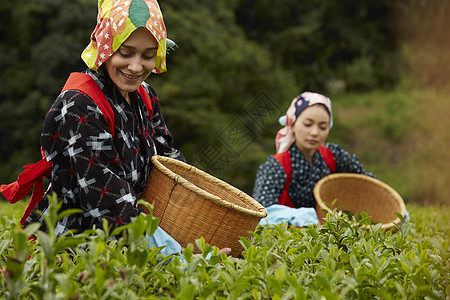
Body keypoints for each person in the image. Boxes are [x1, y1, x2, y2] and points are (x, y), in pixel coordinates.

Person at [1, 0, 230, 256]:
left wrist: (197, 218)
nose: (135, 67)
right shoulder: (79, 106)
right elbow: (106, 198)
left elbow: (170, 165)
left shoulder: (145, 96)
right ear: (105, 47)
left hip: (137, 231)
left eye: (147, 55)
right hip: (77, 242)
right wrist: (176, 255)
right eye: (125, 52)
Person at [253, 92, 375, 227]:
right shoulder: (276, 166)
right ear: (292, 124)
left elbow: (367, 184)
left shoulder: (334, 155)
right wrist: (302, 217)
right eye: (307, 124)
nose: (315, 132)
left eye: (323, 127)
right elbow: (261, 211)